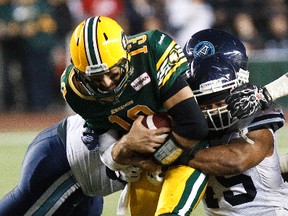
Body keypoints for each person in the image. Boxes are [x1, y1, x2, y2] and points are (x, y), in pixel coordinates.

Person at [60, 16, 209, 215]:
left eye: (113, 74)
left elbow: (194, 127)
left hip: (188, 151)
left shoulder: (151, 51)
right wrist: (126, 145)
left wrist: (155, 160)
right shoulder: (74, 89)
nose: (106, 84)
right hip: (141, 167)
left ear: (127, 55)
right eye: (95, 79)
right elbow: (109, 150)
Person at [184, 52, 288, 215]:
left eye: (218, 101)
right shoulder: (189, 125)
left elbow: (238, 160)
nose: (214, 110)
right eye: (206, 104)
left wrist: (175, 154)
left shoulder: (254, 117)